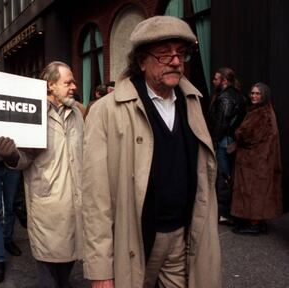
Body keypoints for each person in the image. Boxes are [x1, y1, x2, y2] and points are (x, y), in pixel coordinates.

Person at [82, 16, 221, 288]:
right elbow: (94, 199)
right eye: (164, 54)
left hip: (182, 236)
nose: (176, 61)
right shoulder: (106, 111)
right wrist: (101, 270)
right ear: (141, 61)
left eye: (181, 53)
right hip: (135, 240)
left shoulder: (192, 103)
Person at [0, 61, 84, 287]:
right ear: (51, 85)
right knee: (48, 268)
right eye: (68, 82)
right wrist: (11, 156)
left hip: (76, 202)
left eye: (73, 81)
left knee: (69, 261)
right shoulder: (33, 114)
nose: (74, 86)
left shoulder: (77, 112)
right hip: (48, 206)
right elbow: (25, 158)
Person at [230, 83, 282, 235]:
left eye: (257, 94)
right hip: (261, 159)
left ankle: (254, 224)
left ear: (264, 95)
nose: (253, 96)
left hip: (255, 161)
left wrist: (237, 133)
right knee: (259, 192)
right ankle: (258, 223)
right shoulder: (265, 110)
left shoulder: (260, 113)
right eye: (252, 93)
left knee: (254, 192)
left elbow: (247, 135)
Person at [208, 67, 246, 224]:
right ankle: (228, 212)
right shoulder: (235, 94)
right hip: (229, 140)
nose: (213, 81)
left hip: (224, 141)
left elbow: (222, 123)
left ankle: (225, 213)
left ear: (224, 81)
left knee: (223, 177)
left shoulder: (226, 98)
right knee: (227, 176)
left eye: (216, 79)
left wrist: (214, 141)